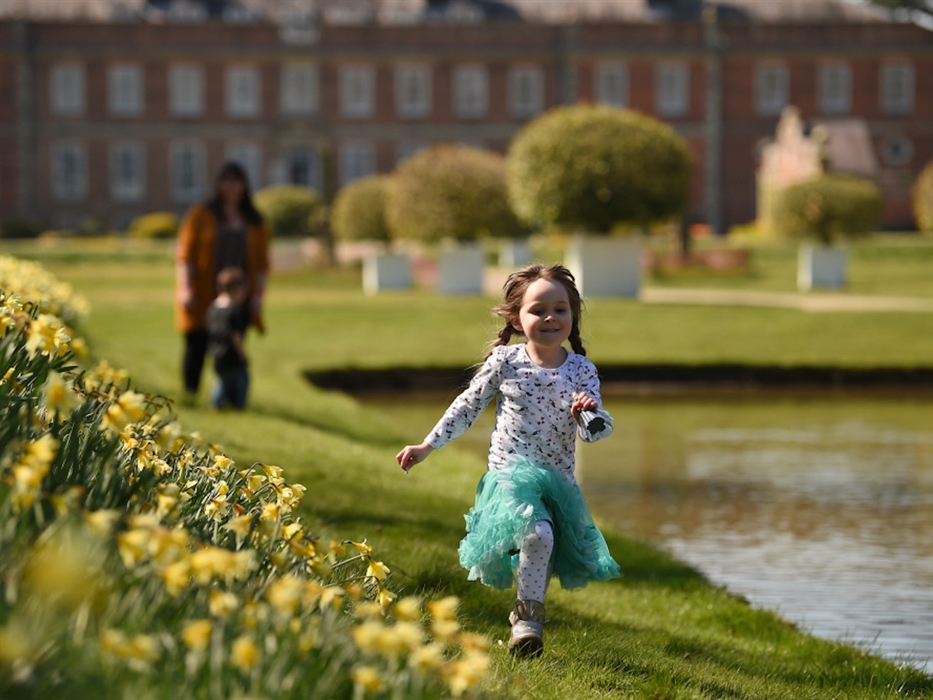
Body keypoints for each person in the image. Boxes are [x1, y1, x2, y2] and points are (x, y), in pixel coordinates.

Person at [396, 264, 620, 658]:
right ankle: (529, 623)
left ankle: (526, 615)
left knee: (542, 547)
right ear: (518, 318)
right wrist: (427, 446)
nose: (550, 317)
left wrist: (589, 412)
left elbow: (594, 433)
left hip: (558, 480)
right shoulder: (506, 362)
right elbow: (467, 407)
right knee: (539, 536)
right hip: (510, 474)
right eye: (538, 310)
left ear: (573, 315)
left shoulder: (582, 371)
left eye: (561, 309)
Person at [175, 162, 269, 402]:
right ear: (218, 184)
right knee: (196, 345)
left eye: (236, 181)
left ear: (244, 185)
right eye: (226, 180)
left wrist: (257, 297)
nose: (231, 186)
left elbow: (261, 266)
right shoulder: (201, 215)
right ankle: (190, 395)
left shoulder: (254, 222)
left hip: (239, 298)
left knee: (232, 351)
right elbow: (185, 256)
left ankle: (228, 401)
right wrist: (185, 288)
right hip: (204, 293)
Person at [206, 267, 250, 410]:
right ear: (236, 289)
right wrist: (242, 353)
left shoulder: (213, 308)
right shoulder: (234, 310)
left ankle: (216, 403)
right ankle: (238, 405)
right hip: (232, 353)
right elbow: (235, 335)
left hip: (217, 351)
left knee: (222, 380)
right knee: (242, 379)